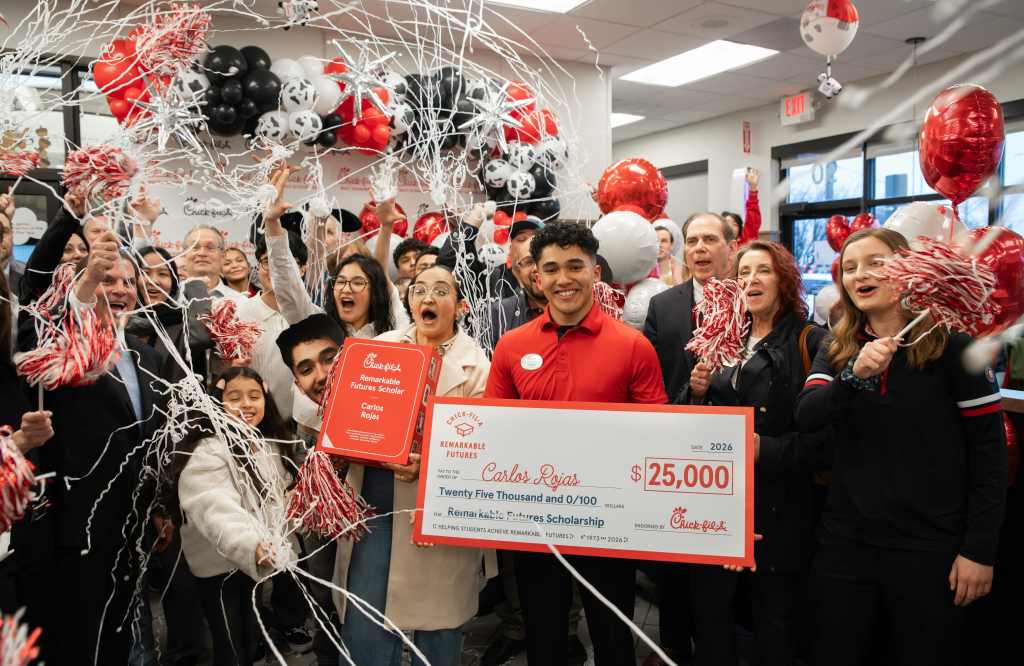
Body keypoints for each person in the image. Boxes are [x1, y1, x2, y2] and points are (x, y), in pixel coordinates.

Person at [795, 228, 1006, 666]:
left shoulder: (954, 345)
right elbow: (807, 414)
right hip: (845, 543)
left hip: (929, 548)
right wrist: (852, 377)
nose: (860, 275)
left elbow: (989, 456)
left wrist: (979, 551)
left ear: (908, 269)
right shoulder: (837, 346)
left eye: (876, 263)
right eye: (850, 268)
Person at [486, 222, 667, 666]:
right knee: (544, 636)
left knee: (613, 636)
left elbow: (658, 432)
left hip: (610, 520)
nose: (563, 279)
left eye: (574, 266)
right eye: (551, 268)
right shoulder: (511, 346)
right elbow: (495, 427)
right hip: (536, 520)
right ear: (536, 276)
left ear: (596, 271)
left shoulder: (633, 346)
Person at [19, 231, 171, 664]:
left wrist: (158, 507)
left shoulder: (148, 355)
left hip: (135, 520)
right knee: (84, 637)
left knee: (128, 628)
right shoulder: (63, 349)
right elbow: (55, 310)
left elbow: (152, 438)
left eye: (128, 281)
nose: (121, 288)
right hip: (79, 525)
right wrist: (86, 284)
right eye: (108, 280)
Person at [334, 263, 496, 665]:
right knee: (366, 620)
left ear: (459, 306)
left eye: (441, 291)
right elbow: (351, 414)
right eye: (419, 289)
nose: (428, 297)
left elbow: (481, 446)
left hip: (439, 513)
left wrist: (428, 466)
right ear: (408, 300)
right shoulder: (379, 349)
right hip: (376, 504)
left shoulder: (479, 368)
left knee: (439, 627)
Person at [690, 241, 830, 666]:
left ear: (784, 281)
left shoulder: (812, 341)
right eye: (744, 272)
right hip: (719, 502)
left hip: (781, 506)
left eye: (763, 270)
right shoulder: (724, 337)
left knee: (776, 618)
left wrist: (761, 449)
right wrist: (696, 392)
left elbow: (825, 440)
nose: (751, 279)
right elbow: (698, 421)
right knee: (712, 613)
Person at [643, 212, 736, 666]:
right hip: (676, 444)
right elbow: (657, 375)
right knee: (673, 562)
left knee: (721, 567)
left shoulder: (749, 298)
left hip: (735, 448)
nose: (700, 248)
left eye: (710, 240)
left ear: (730, 247)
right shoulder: (665, 305)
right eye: (692, 240)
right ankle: (672, 647)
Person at [171, 367, 297, 665]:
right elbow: (213, 505)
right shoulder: (208, 450)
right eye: (234, 397)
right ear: (218, 401)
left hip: (256, 559)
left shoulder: (270, 444)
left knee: (250, 633)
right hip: (220, 564)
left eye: (254, 396)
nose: (246, 404)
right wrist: (250, 543)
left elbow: (277, 495)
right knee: (230, 639)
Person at [275, 313, 346, 666]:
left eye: (329, 357)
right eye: (306, 369)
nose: (321, 375)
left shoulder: (393, 415)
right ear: (297, 382)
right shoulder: (308, 440)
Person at [236, 231, 309, 422]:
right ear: (258, 267)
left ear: (302, 268)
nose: (276, 269)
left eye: (285, 262)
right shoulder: (239, 316)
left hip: (306, 429)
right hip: (254, 426)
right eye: (268, 261)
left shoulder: (316, 316)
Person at [127, 246, 215, 384]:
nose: (153, 281)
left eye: (163, 274)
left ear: (174, 283)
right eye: (145, 273)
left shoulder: (182, 323)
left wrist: (196, 287)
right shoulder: (119, 324)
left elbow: (202, 336)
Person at [483, 216, 546, 355]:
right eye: (528, 262)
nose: (536, 268)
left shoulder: (574, 308)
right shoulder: (498, 313)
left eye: (542, 260)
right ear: (518, 269)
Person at [183, 224, 242, 300]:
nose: (202, 253)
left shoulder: (240, 303)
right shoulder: (169, 297)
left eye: (210, 247)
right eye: (195, 247)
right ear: (184, 254)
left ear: (222, 256)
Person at [721, 168, 762, 246]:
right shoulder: (717, 245)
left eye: (735, 224)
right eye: (727, 222)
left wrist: (753, 188)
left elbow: (752, 219)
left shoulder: (745, 243)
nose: (730, 226)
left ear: (739, 231)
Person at [653, 220, 685, 287]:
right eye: (656, 240)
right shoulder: (643, 272)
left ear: (672, 244)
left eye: (664, 241)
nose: (659, 245)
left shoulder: (683, 272)